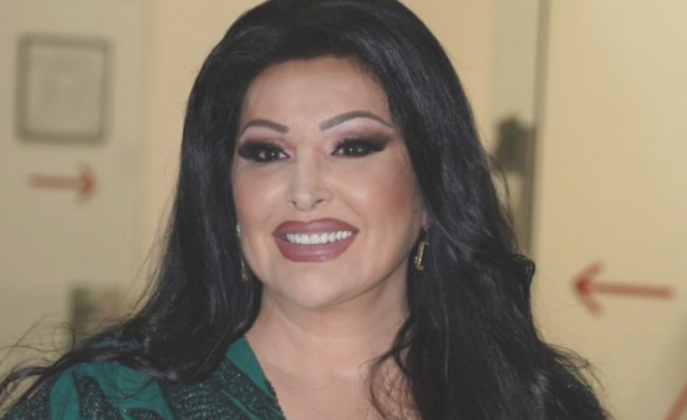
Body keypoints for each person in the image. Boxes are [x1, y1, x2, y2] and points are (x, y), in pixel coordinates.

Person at [0, 0, 609, 419]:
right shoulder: (105, 403)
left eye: (353, 146)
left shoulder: (533, 400)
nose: (303, 189)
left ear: (431, 186)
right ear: (224, 192)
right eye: (267, 152)